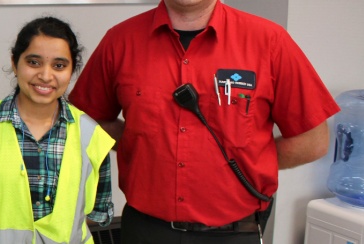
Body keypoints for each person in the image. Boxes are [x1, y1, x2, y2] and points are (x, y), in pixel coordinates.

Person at [68, 0, 339, 243]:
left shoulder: (269, 41)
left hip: (235, 232)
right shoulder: (120, 40)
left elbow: (312, 141)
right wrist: (143, 145)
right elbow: (87, 119)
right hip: (146, 229)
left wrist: (248, 161)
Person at [0, 17, 116, 244]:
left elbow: (93, 216)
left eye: (59, 65)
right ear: (14, 62)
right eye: (34, 62)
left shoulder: (92, 136)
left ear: (72, 70)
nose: (46, 76)